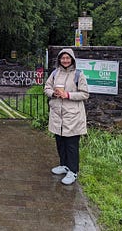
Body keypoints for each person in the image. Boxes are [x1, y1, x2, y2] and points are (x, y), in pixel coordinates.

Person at [44, 48, 89, 185]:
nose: (65, 60)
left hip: (72, 115)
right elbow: (46, 88)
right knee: (60, 142)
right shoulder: (55, 73)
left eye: (67, 58)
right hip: (58, 114)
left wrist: (68, 95)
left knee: (71, 144)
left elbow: (85, 94)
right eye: (62, 58)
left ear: (72, 59)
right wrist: (53, 94)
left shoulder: (78, 75)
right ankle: (64, 165)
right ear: (59, 60)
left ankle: (73, 171)